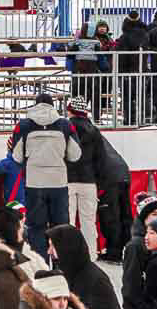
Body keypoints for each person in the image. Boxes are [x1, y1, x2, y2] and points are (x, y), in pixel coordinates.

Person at [10, 93, 81, 260]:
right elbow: (75, 155)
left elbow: (17, 157)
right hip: (59, 183)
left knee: (36, 227)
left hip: (34, 184)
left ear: (35, 105)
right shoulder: (65, 125)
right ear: (52, 106)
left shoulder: (24, 125)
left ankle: (40, 265)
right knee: (61, 227)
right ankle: (61, 265)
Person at [63, 97, 103, 251]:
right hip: (89, 180)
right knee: (88, 221)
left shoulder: (65, 128)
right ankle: (91, 254)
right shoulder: (94, 131)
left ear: (70, 111)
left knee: (69, 221)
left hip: (68, 179)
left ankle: (69, 254)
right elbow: (100, 159)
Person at [94, 132, 132, 264]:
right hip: (123, 173)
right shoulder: (97, 135)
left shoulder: (80, 134)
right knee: (124, 214)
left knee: (111, 216)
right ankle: (128, 249)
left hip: (108, 177)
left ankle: (114, 253)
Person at [114, 12, 149, 125]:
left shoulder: (124, 37)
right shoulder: (145, 35)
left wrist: (121, 71)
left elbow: (121, 55)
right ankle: (143, 119)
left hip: (127, 72)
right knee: (142, 96)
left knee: (127, 97)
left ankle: (128, 119)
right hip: (141, 70)